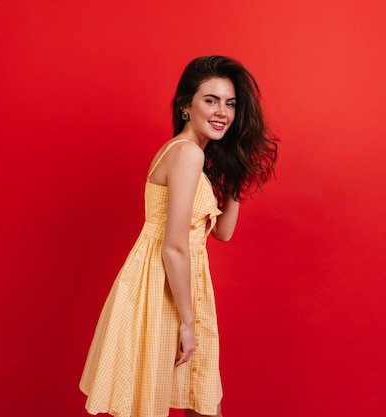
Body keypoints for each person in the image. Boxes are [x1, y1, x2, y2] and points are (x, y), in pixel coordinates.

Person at [79, 55, 278, 417]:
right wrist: (188, 321)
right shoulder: (186, 153)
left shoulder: (189, 154)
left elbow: (223, 233)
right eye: (211, 100)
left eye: (230, 104)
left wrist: (236, 175)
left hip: (178, 282)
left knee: (198, 398)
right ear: (186, 106)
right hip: (165, 286)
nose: (223, 112)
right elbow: (173, 246)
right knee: (191, 404)